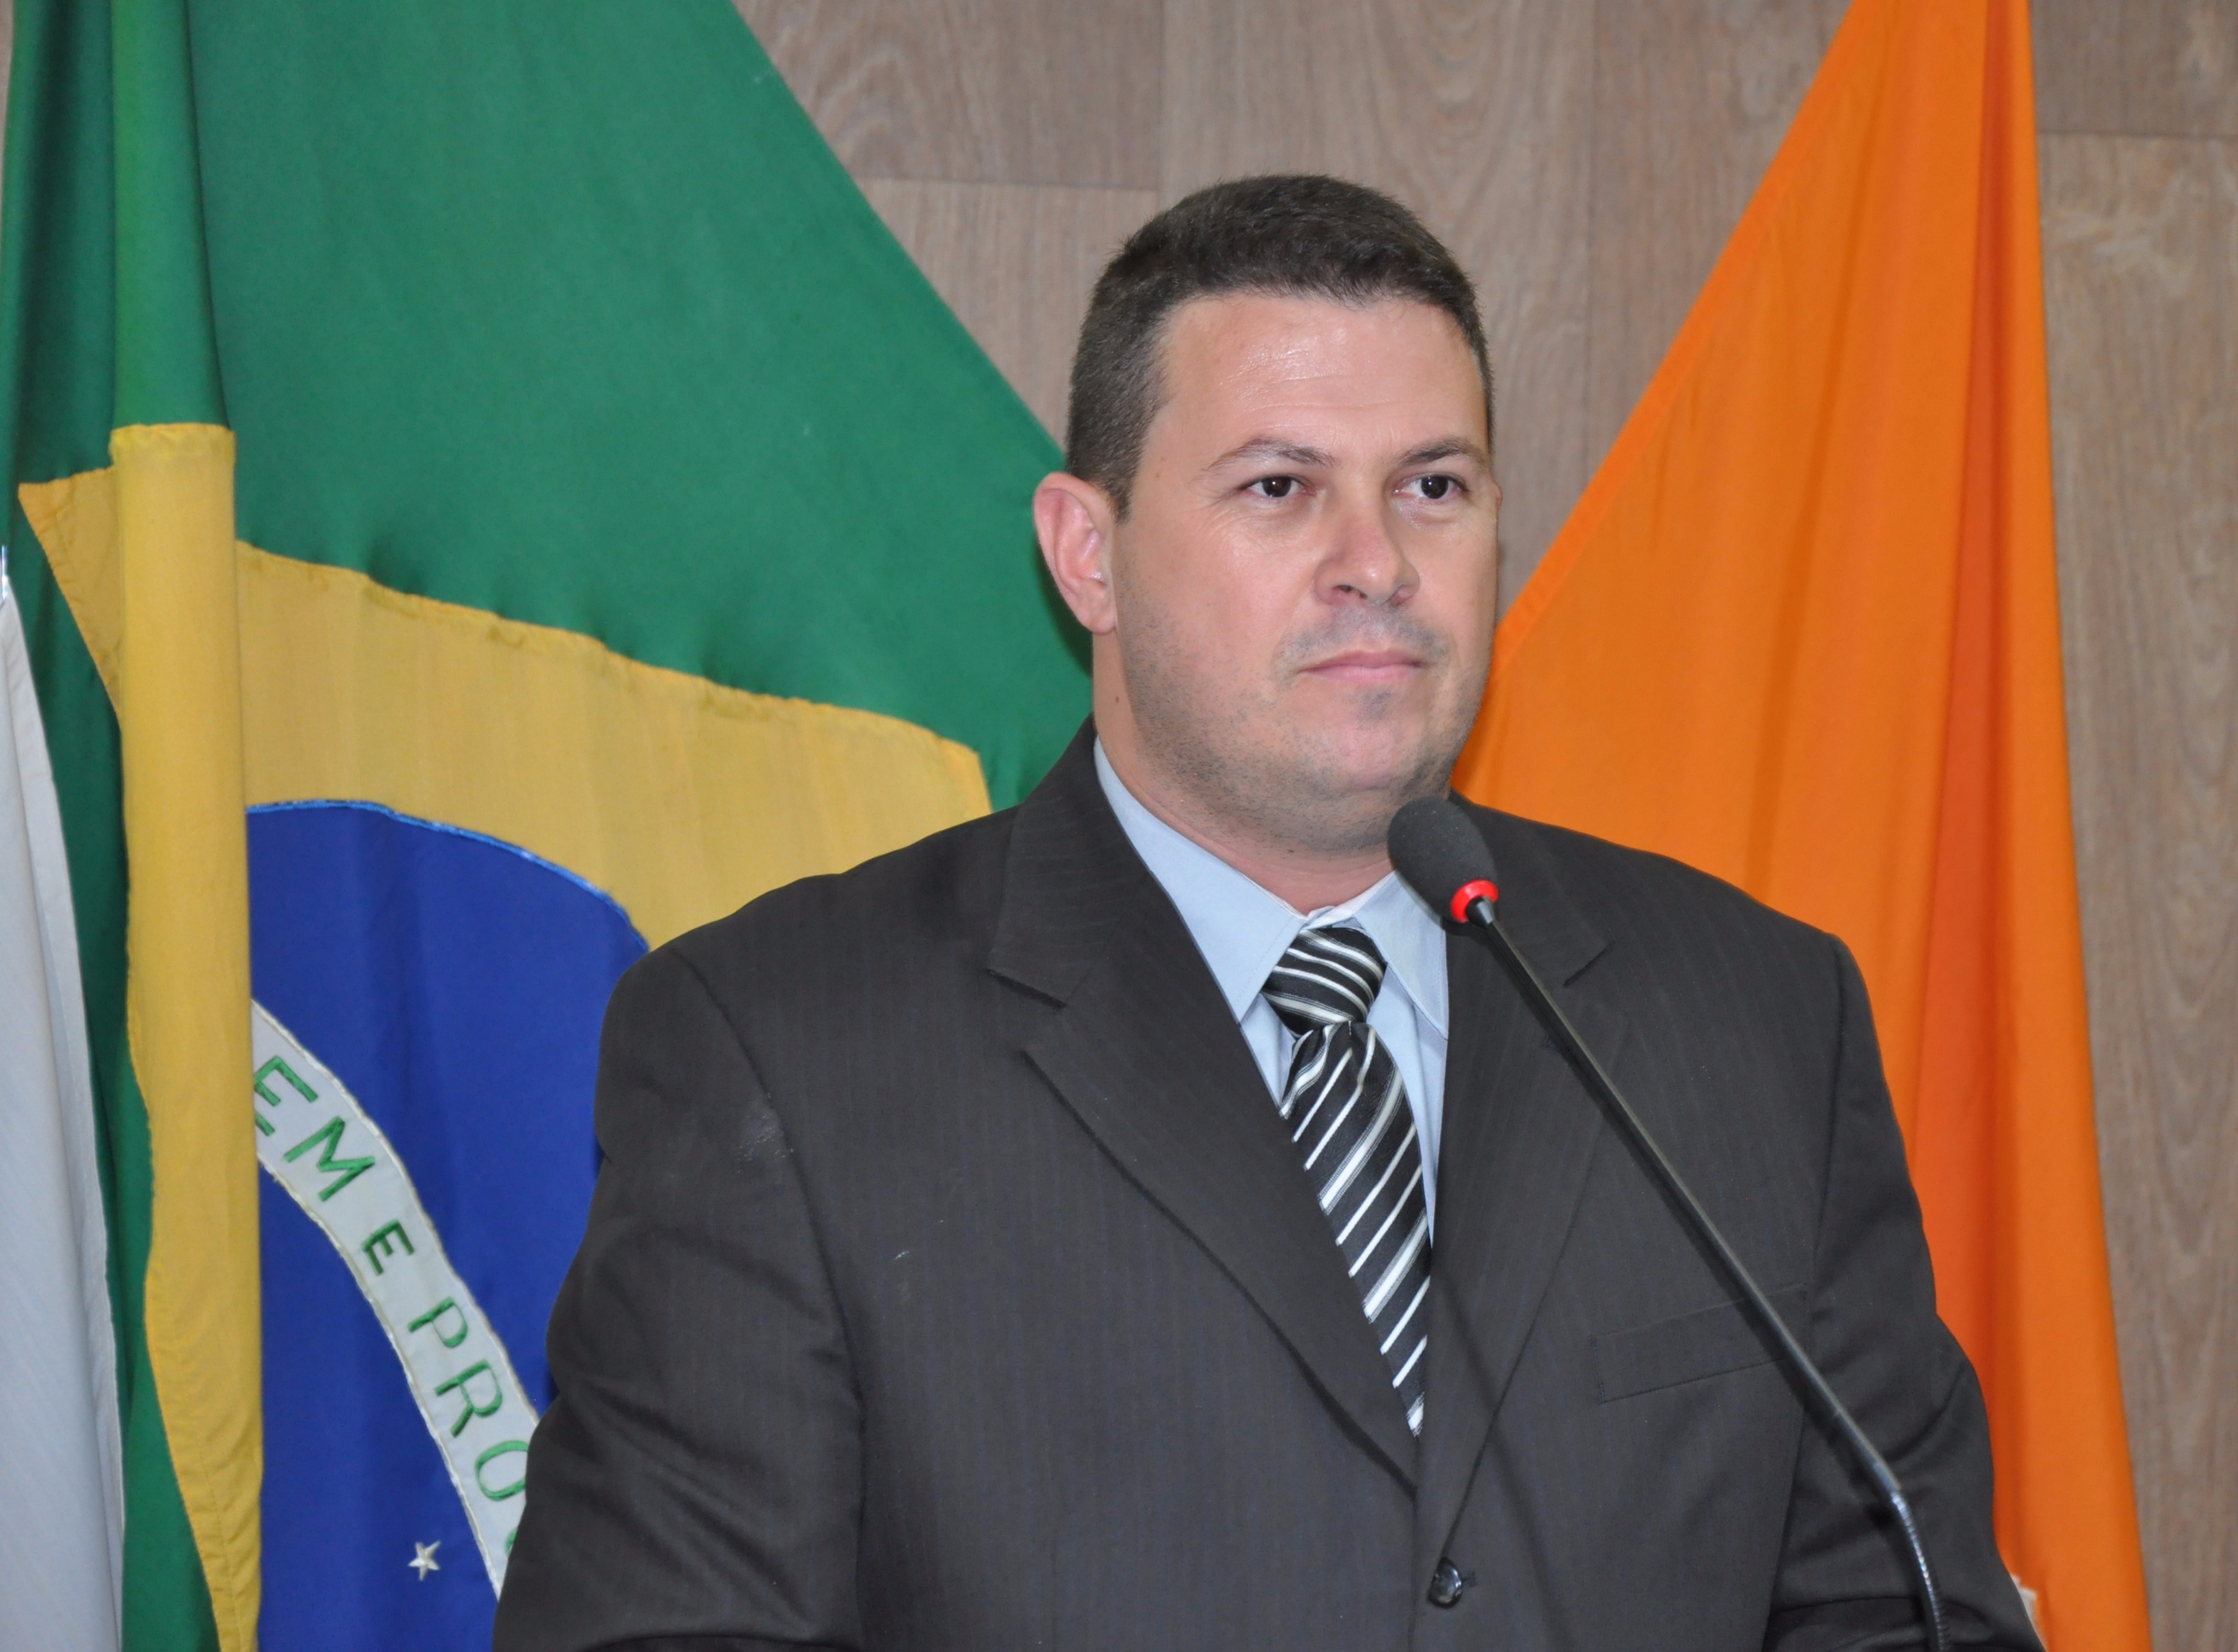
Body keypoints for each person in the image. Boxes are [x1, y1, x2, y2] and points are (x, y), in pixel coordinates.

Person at [496, 173, 2042, 1651]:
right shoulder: (785, 1045)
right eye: (1279, 487)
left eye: (1433, 487)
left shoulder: (1755, 1019)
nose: (1377, 563)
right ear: (1086, 553)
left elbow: (1902, 1608)